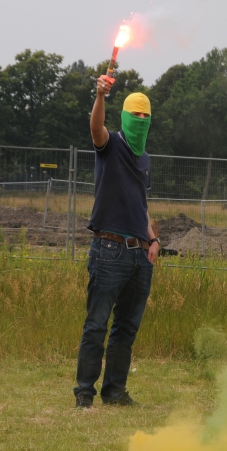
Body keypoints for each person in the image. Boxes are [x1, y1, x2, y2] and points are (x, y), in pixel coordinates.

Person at [73, 74, 160, 409]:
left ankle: (115, 392)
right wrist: (99, 96)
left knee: (126, 329)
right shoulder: (111, 145)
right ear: (124, 117)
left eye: (145, 116)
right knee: (96, 324)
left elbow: (141, 204)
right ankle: (84, 392)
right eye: (135, 115)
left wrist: (153, 240)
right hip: (109, 250)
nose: (140, 120)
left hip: (141, 256)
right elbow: (96, 128)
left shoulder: (145, 159)